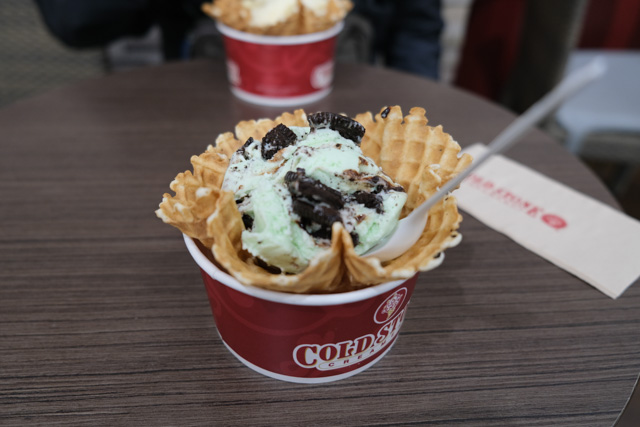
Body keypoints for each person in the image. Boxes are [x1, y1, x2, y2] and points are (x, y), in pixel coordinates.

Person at [34, 0, 443, 79]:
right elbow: (75, 18)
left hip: (351, 95)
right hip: (198, 109)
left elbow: (417, 28)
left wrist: (416, 106)